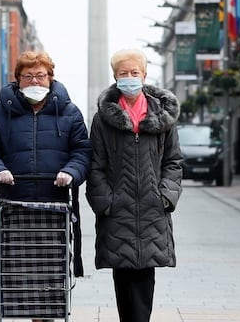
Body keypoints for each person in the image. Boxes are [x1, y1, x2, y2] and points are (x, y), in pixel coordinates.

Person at [0, 51, 91, 322]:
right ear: (17, 80)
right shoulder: (2, 113)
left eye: (40, 75)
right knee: (18, 273)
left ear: (50, 78)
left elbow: (83, 152)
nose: (35, 81)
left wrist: (70, 172)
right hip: (15, 208)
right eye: (28, 76)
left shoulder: (70, 113)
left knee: (52, 271)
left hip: (55, 207)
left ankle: (47, 317)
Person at [86, 48, 183, 322]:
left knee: (144, 279)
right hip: (118, 212)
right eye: (123, 73)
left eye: (134, 72)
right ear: (115, 76)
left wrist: (165, 196)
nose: (129, 77)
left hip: (152, 210)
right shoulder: (104, 120)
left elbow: (174, 161)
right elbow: (95, 165)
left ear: (144, 75)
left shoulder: (163, 117)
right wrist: (106, 202)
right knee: (123, 277)